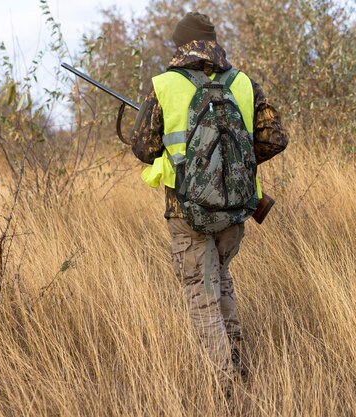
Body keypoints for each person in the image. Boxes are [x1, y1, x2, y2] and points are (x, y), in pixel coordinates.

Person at [130, 12, 288, 389]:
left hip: (188, 210)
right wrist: (234, 167)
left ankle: (226, 384)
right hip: (236, 209)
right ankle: (238, 361)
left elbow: (143, 148)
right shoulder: (244, 83)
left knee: (201, 295)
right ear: (213, 44)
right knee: (222, 279)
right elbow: (275, 137)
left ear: (181, 45)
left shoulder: (165, 84)